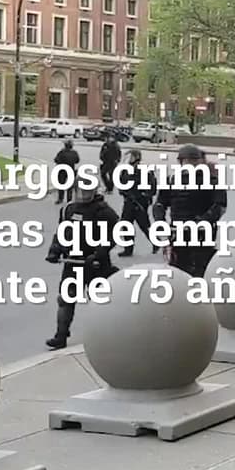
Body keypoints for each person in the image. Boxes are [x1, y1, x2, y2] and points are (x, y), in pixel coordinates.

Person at [45, 179, 120, 350]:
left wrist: (99, 253)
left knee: (100, 300)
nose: (84, 195)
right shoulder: (69, 209)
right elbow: (62, 232)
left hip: (96, 264)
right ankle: (61, 335)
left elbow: (115, 234)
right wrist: (54, 250)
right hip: (73, 261)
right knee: (65, 299)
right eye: (81, 190)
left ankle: (106, 335)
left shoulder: (104, 211)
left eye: (87, 191)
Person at [153, 144, 227, 277]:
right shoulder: (172, 180)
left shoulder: (211, 181)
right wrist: (160, 220)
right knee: (178, 269)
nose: (188, 164)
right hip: (178, 230)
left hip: (201, 232)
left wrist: (202, 222)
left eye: (192, 161)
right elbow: (160, 203)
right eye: (185, 161)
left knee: (200, 267)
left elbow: (220, 206)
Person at [116, 149, 157, 257]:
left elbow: (152, 187)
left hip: (139, 203)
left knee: (144, 225)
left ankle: (156, 243)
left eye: (132, 157)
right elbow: (121, 183)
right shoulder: (126, 170)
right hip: (129, 202)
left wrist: (144, 196)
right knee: (126, 224)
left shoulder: (145, 170)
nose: (130, 159)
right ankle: (128, 249)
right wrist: (123, 190)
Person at [53, 139, 81, 204]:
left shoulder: (61, 152)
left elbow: (56, 160)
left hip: (62, 170)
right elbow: (77, 161)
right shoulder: (74, 153)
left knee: (61, 185)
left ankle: (60, 199)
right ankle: (69, 199)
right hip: (71, 170)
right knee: (70, 186)